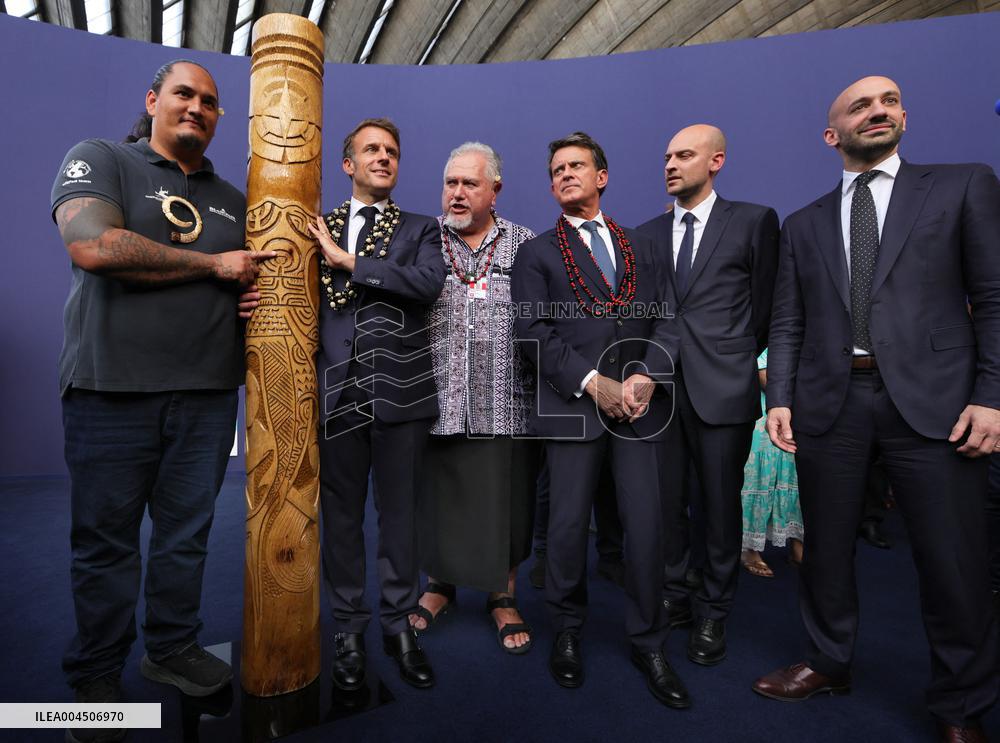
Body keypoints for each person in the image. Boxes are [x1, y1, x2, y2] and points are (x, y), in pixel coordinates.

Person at [755, 76, 1000, 743]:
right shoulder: (803, 223)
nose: (879, 110)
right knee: (826, 551)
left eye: (889, 100)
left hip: (939, 402)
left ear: (904, 116)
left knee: (953, 560)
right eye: (860, 105)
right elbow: (787, 319)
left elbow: (995, 296)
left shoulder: (963, 186)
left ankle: (959, 705)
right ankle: (829, 661)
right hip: (830, 402)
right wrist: (779, 398)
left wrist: (992, 396)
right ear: (832, 134)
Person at [52, 59, 270, 742]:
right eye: (183, 94)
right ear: (153, 100)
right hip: (109, 387)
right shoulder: (102, 158)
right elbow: (91, 244)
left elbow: (250, 284)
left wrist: (251, 297)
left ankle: (171, 646)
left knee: (185, 537)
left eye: (210, 102)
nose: (197, 108)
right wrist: (214, 267)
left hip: (206, 396)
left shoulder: (237, 199)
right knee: (106, 544)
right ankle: (95, 677)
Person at [511, 132, 687, 708]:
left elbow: (668, 319)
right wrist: (594, 383)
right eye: (556, 169)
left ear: (601, 177)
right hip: (571, 409)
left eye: (576, 166)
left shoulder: (638, 245)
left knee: (647, 526)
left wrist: (645, 377)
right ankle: (566, 632)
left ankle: (649, 640)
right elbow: (531, 332)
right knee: (564, 530)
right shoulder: (536, 253)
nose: (564, 175)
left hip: (638, 409)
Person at [310, 118, 446, 691]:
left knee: (400, 518)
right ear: (349, 164)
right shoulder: (317, 227)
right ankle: (347, 626)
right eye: (371, 150)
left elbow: (426, 284)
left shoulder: (422, 229)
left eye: (391, 150)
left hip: (403, 395)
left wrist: (349, 263)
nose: (383, 158)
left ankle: (397, 623)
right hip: (338, 396)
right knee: (340, 519)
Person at [636, 124, 779, 665]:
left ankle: (714, 610)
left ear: (716, 161)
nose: (671, 164)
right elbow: (647, 314)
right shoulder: (645, 234)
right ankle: (675, 592)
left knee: (720, 508)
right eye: (667, 155)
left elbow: (765, 311)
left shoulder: (753, 221)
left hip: (723, 390)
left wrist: (727, 357)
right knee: (667, 505)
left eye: (685, 155)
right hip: (660, 394)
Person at [408, 142, 539, 654]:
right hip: (436, 394)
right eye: (451, 183)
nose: (457, 194)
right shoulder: (422, 239)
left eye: (469, 184)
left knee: (507, 502)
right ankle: (439, 585)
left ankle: (502, 596)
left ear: (495, 191)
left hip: (507, 398)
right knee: (437, 498)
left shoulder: (526, 243)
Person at [740, 349, 803, 577]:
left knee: (799, 476)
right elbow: (764, 374)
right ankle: (750, 548)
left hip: (808, 411)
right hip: (767, 411)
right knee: (759, 476)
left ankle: (798, 543)